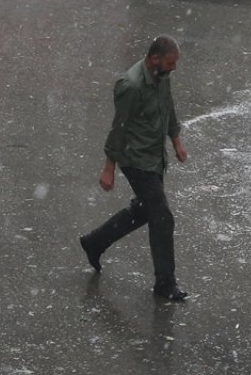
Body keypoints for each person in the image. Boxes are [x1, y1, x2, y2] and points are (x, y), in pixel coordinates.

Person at [79, 35, 190, 301]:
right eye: (171, 63)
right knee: (162, 218)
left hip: (155, 158)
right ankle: (165, 284)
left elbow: (168, 107)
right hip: (136, 160)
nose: (174, 68)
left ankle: (95, 242)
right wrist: (109, 166)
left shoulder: (161, 76)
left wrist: (175, 141)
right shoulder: (131, 86)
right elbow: (119, 127)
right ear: (154, 59)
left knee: (145, 210)